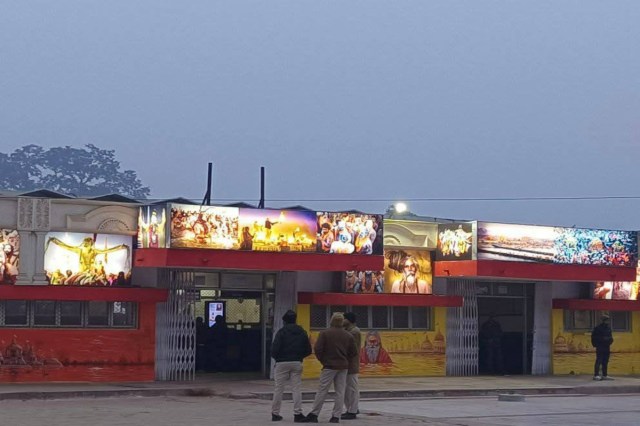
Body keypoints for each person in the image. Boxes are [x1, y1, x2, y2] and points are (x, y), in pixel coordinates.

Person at [305, 313, 358, 424]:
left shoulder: (325, 333)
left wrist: (323, 361)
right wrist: (345, 359)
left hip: (329, 366)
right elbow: (353, 352)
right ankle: (336, 416)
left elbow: (318, 349)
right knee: (340, 392)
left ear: (331, 321)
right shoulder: (348, 335)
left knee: (322, 390)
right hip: (343, 366)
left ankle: (314, 414)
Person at [270, 310, 312, 423]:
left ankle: (275, 413)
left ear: (284, 321)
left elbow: (274, 350)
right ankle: (298, 414)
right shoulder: (302, 332)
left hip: (281, 363)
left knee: (279, 388)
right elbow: (308, 350)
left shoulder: (281, 332)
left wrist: (278, 359)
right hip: (296, 363)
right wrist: (299, 357)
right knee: (296, 388)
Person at [341, 312, 362, 421]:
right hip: (346, 363)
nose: (342, 321)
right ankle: (351, 408)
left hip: (351, 364)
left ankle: (352, 410)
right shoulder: (348, 331)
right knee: (347, 388)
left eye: (344, 319)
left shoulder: (354, 331)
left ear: (348, 320)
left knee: (352, 388)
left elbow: (351, 349)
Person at [591, 314, 614, 380]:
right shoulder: (598, 328)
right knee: (599, 360)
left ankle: (605, 375)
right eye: (607, 320)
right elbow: (594, 338)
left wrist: (610, 340)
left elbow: (611, 337)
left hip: (607, 347)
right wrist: (601, 341)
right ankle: (596, 375)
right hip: (600, 347)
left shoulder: (608, 328)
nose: (608, 322)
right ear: (603, 321)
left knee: (605, 361)